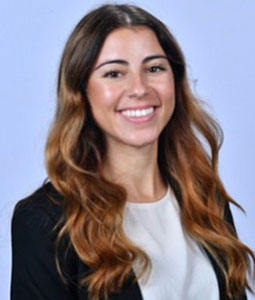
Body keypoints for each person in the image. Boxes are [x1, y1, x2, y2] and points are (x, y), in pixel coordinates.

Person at [11, 3, 255, 300]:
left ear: (175, 84)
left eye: (154, 68)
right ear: (81, 90)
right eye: (114, 73)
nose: (139, 88)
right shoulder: (45, 220)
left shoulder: (204, 199)